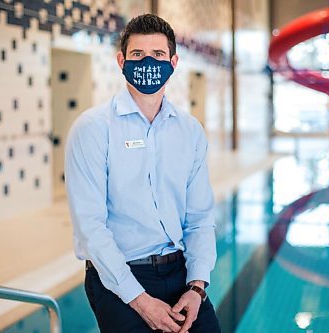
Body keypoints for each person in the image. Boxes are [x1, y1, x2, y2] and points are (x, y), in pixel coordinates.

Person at [65, 14, 221, 333]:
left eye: (158, 55)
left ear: (174, 61)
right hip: (119, 277)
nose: (148, 62)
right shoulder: (93, 129)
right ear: (121, 61)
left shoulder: (189, 131)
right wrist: (138, 298)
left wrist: (197, 286)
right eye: (138, 55)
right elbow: (90, 226)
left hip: (180, 272)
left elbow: (200, 217)